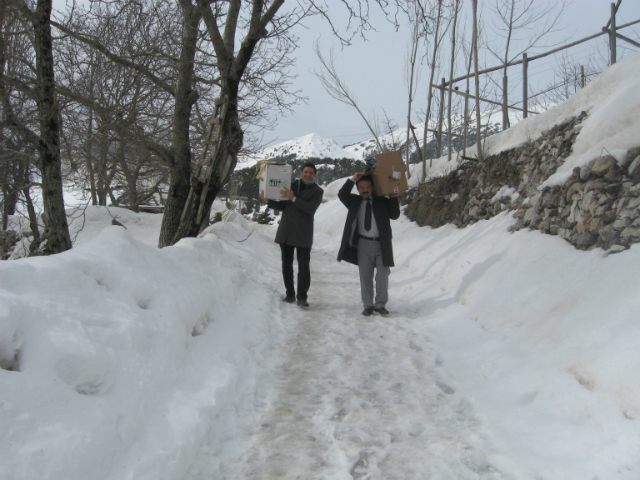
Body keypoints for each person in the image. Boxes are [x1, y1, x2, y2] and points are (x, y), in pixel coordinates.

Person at [260, 163, 324, 308]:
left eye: (311, 173)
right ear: (301, 172)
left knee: (303, 266)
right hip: (287, 231)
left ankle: (302, 297)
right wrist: (268, 201)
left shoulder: (317, 191)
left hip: (303, 233)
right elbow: (283, 206)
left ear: (314, 175)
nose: (308, 174)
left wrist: (294, 199)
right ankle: (290, 294)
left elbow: (311, 209)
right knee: (286, 265)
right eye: (306, 172)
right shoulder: (291, 185)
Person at [337, 171, 400, 316]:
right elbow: (342, 194)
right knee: (365, 276)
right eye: (362, 187)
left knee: (383, 275)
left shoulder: (382, 201)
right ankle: (368, 305)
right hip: (363, 244)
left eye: (367, 187)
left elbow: (395, 215)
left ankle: (381, 304)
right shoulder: (354, 201)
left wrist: (393, 198)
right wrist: (353, 179)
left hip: (382, 244)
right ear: (358, 189)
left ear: (372, 187)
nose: (365, 190)